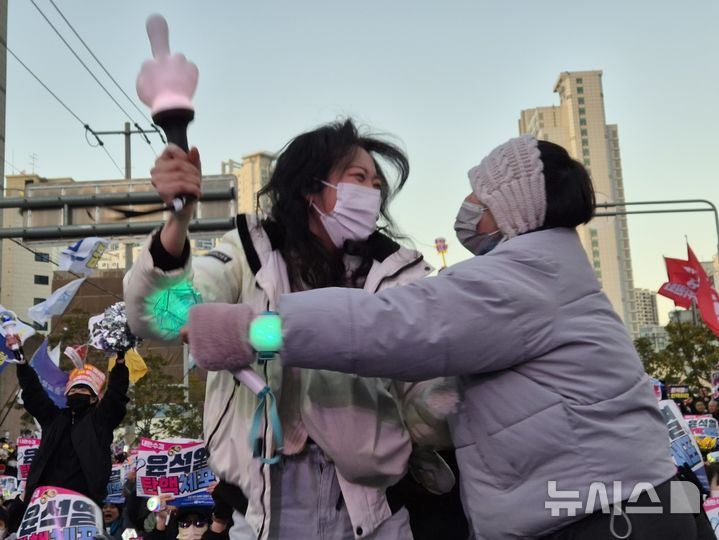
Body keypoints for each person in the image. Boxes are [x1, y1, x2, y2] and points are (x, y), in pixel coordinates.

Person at [185, 135, 713, 540]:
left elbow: (389, 324)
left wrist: (251, 328)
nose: (466, 205)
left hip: (603, 517)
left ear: (513, 206)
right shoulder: (545, 268)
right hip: (619, 505)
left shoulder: (518, 278)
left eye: (478, 194)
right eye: (357, 177)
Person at [124, 119, 461, 540]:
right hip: (265, 505)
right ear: (309, 186)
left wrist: (450, 398)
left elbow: (423, 396)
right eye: (358, 178)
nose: (371, 194)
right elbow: (163, 316)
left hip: (375, 510)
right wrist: (177, 223)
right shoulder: (248, 252)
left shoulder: (397, 275)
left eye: (377, 184)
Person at [7, 359, 129, 533]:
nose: (77, 392)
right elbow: (33, 393)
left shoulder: (100, 422)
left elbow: (116, 396)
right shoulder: (53, 418)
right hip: (46, 502)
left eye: (83, 389)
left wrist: (120, 364)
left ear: (94, 398)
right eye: (73, 389)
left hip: (82, 506)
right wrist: (22, 365)